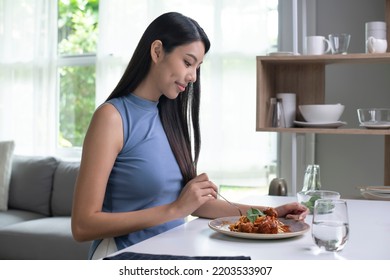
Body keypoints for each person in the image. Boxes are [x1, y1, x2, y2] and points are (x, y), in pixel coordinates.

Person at [71, 11, 308, 259]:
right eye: (187, 62)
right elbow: (83, 225)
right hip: (124, 255)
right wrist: (175, 209)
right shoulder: (112, 118)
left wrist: (271, 212)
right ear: (157, 51)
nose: (193, 76)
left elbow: (197, 205)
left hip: (172, 250)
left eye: (197, 67)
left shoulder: (169, 117)